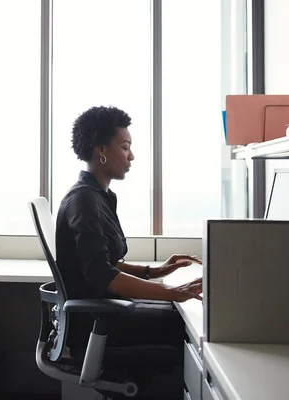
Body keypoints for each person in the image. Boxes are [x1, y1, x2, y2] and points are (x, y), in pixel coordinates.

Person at [55, 105, 203, 351]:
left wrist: (155, 272)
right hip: (95, 322)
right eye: (125, 147)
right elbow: (102, 275)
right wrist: (172, 291)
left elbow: (103, 263)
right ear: (101, 150)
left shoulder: (102, 196)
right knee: (184, 326)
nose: (131, 156)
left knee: (179, 309)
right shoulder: (84, 200)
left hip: (106, 309)